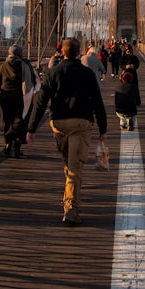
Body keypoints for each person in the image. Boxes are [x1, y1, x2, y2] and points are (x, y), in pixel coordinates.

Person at [26, 38, 108, 225]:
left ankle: (69, 197)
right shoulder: (87, 74)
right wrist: (103, 129)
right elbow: (97, 102)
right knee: (74, 166)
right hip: (81, 123)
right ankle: (71, 208)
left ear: (62, 52)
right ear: (79, 52)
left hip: (59, 123)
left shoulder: (52, 72)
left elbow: (40, 103)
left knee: (69, 163)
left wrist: (32, 128)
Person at [0, 45, 37, 158]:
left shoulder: (3, 66)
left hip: (6, 96)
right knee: (20, 120)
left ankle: (8, 142)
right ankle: (17, 148)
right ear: (20, 53)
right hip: (20, 97)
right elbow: (31, 81)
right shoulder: (25, 65)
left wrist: (0, 90)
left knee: (8, 119)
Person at [114, 66, 141, 131]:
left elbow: (116, 101)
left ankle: (123, 124)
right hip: (131, 111)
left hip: (119, 110)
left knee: (122, 113)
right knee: (132, 112)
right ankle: (130, 122)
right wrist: (138, 104)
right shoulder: (134, 87)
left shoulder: (118, 87)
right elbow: (137, 100)